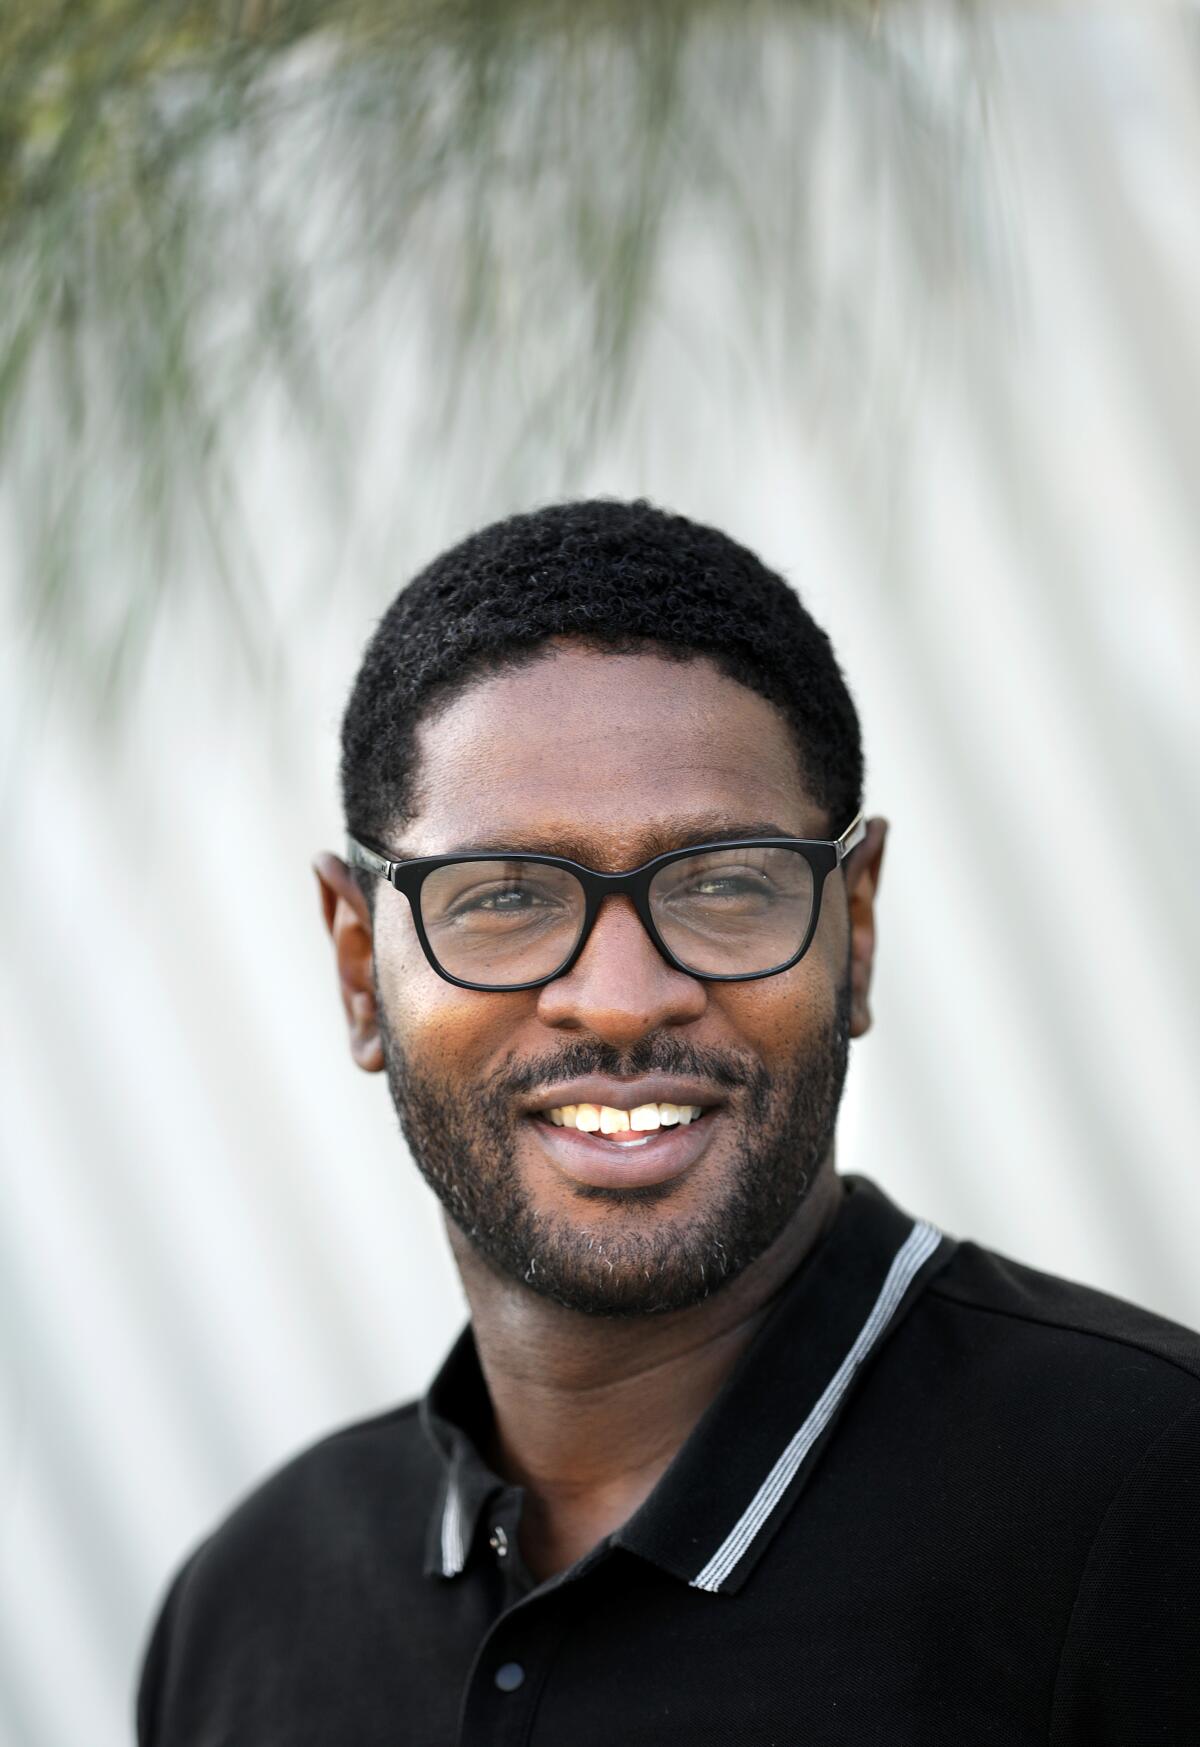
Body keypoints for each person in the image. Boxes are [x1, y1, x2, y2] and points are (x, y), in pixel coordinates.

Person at [137, 499, 1200, 1746]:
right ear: (362, 968)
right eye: (506, 897)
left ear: (855, 929)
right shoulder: (245, 1612)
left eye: (724, 884)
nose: (623, 997)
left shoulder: (1148, 1501)